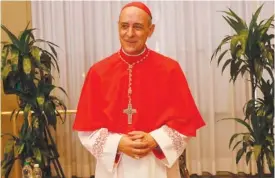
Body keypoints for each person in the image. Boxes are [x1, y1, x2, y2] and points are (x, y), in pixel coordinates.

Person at [73, 2, 205, 178]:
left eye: (138, 27)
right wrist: (118, 143)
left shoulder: (170, 69)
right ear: (117, 27)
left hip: (156, 164)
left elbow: (185, 122)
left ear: (151, 30)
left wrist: (155, 139)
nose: (129, 33)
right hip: (114, 167)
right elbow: (87, 128)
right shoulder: (98, 72)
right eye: (124, 26)